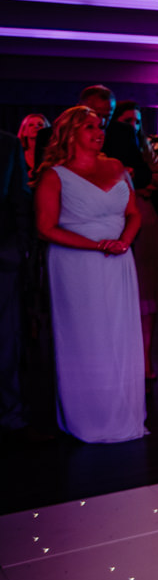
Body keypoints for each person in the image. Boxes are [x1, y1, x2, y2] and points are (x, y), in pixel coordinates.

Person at [33, 107, 145, 443]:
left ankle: (124, 410)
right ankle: (89, 417)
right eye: (90, 127)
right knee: (86, 336)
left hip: (119, 258)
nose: (99, 132)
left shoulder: (115, 167)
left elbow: (133, 213)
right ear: (70, 132)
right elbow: (45, 228)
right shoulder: (54, 175)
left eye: (101, 127)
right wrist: (97, 246)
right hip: (76, 263)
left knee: (120, 333)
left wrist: (123, 243)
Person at [113, 101, 158, 383]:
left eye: (136, 121)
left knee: (147, 298)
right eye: (126, 120)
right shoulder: (109, 151)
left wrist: (144, 183)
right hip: (117, 225)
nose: (132, 126)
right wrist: (142, 184)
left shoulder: (147, 148)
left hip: (147, 225)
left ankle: (146, 359)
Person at [0, 130, 33, 437]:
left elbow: (19, 198)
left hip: (3, 257)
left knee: (8, 339)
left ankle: (11, 413)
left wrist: (19, 249)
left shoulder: (7, 144)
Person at [16, 113, 48, 180]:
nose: (36, 127)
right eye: (31, 125)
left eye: (40, 125)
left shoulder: (54, 154)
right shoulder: (17, 154)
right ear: (24, 131)